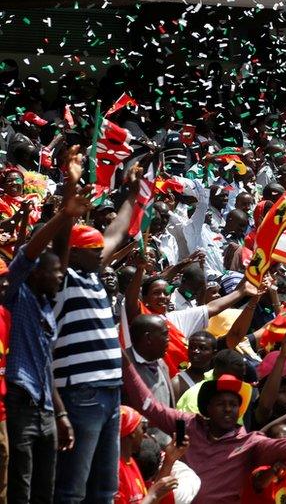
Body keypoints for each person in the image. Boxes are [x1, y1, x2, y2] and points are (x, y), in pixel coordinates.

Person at [122, 356, 286, 503]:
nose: (228, 410)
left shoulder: (250, 443)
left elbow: (283, 446)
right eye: (221, 404)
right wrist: (124, 362)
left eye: (233, 405)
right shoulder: (188, 424)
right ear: (207, 408)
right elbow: (149, 406)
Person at [55, 164, 142, 503]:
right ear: (75, 254)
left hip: (109, 392)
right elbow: (61, 243)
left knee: (105, 489)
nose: (101, 255)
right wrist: (68, 203)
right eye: (93, 252)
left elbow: (118, 232)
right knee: (72, 489)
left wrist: (132, 195)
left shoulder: (91, 275)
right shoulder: (61, 279)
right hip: (81, 394)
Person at [4, 173, 88, 504]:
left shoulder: (46, 305)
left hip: (44, 408)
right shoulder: (18, 295)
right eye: (55, 273)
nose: (60, 277)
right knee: (20, 491)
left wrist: (61, 413)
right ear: (37, 274)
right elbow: (29, 253)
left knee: (45, 491)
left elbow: (45, 364)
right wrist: (63, 215)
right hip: (19, 405)